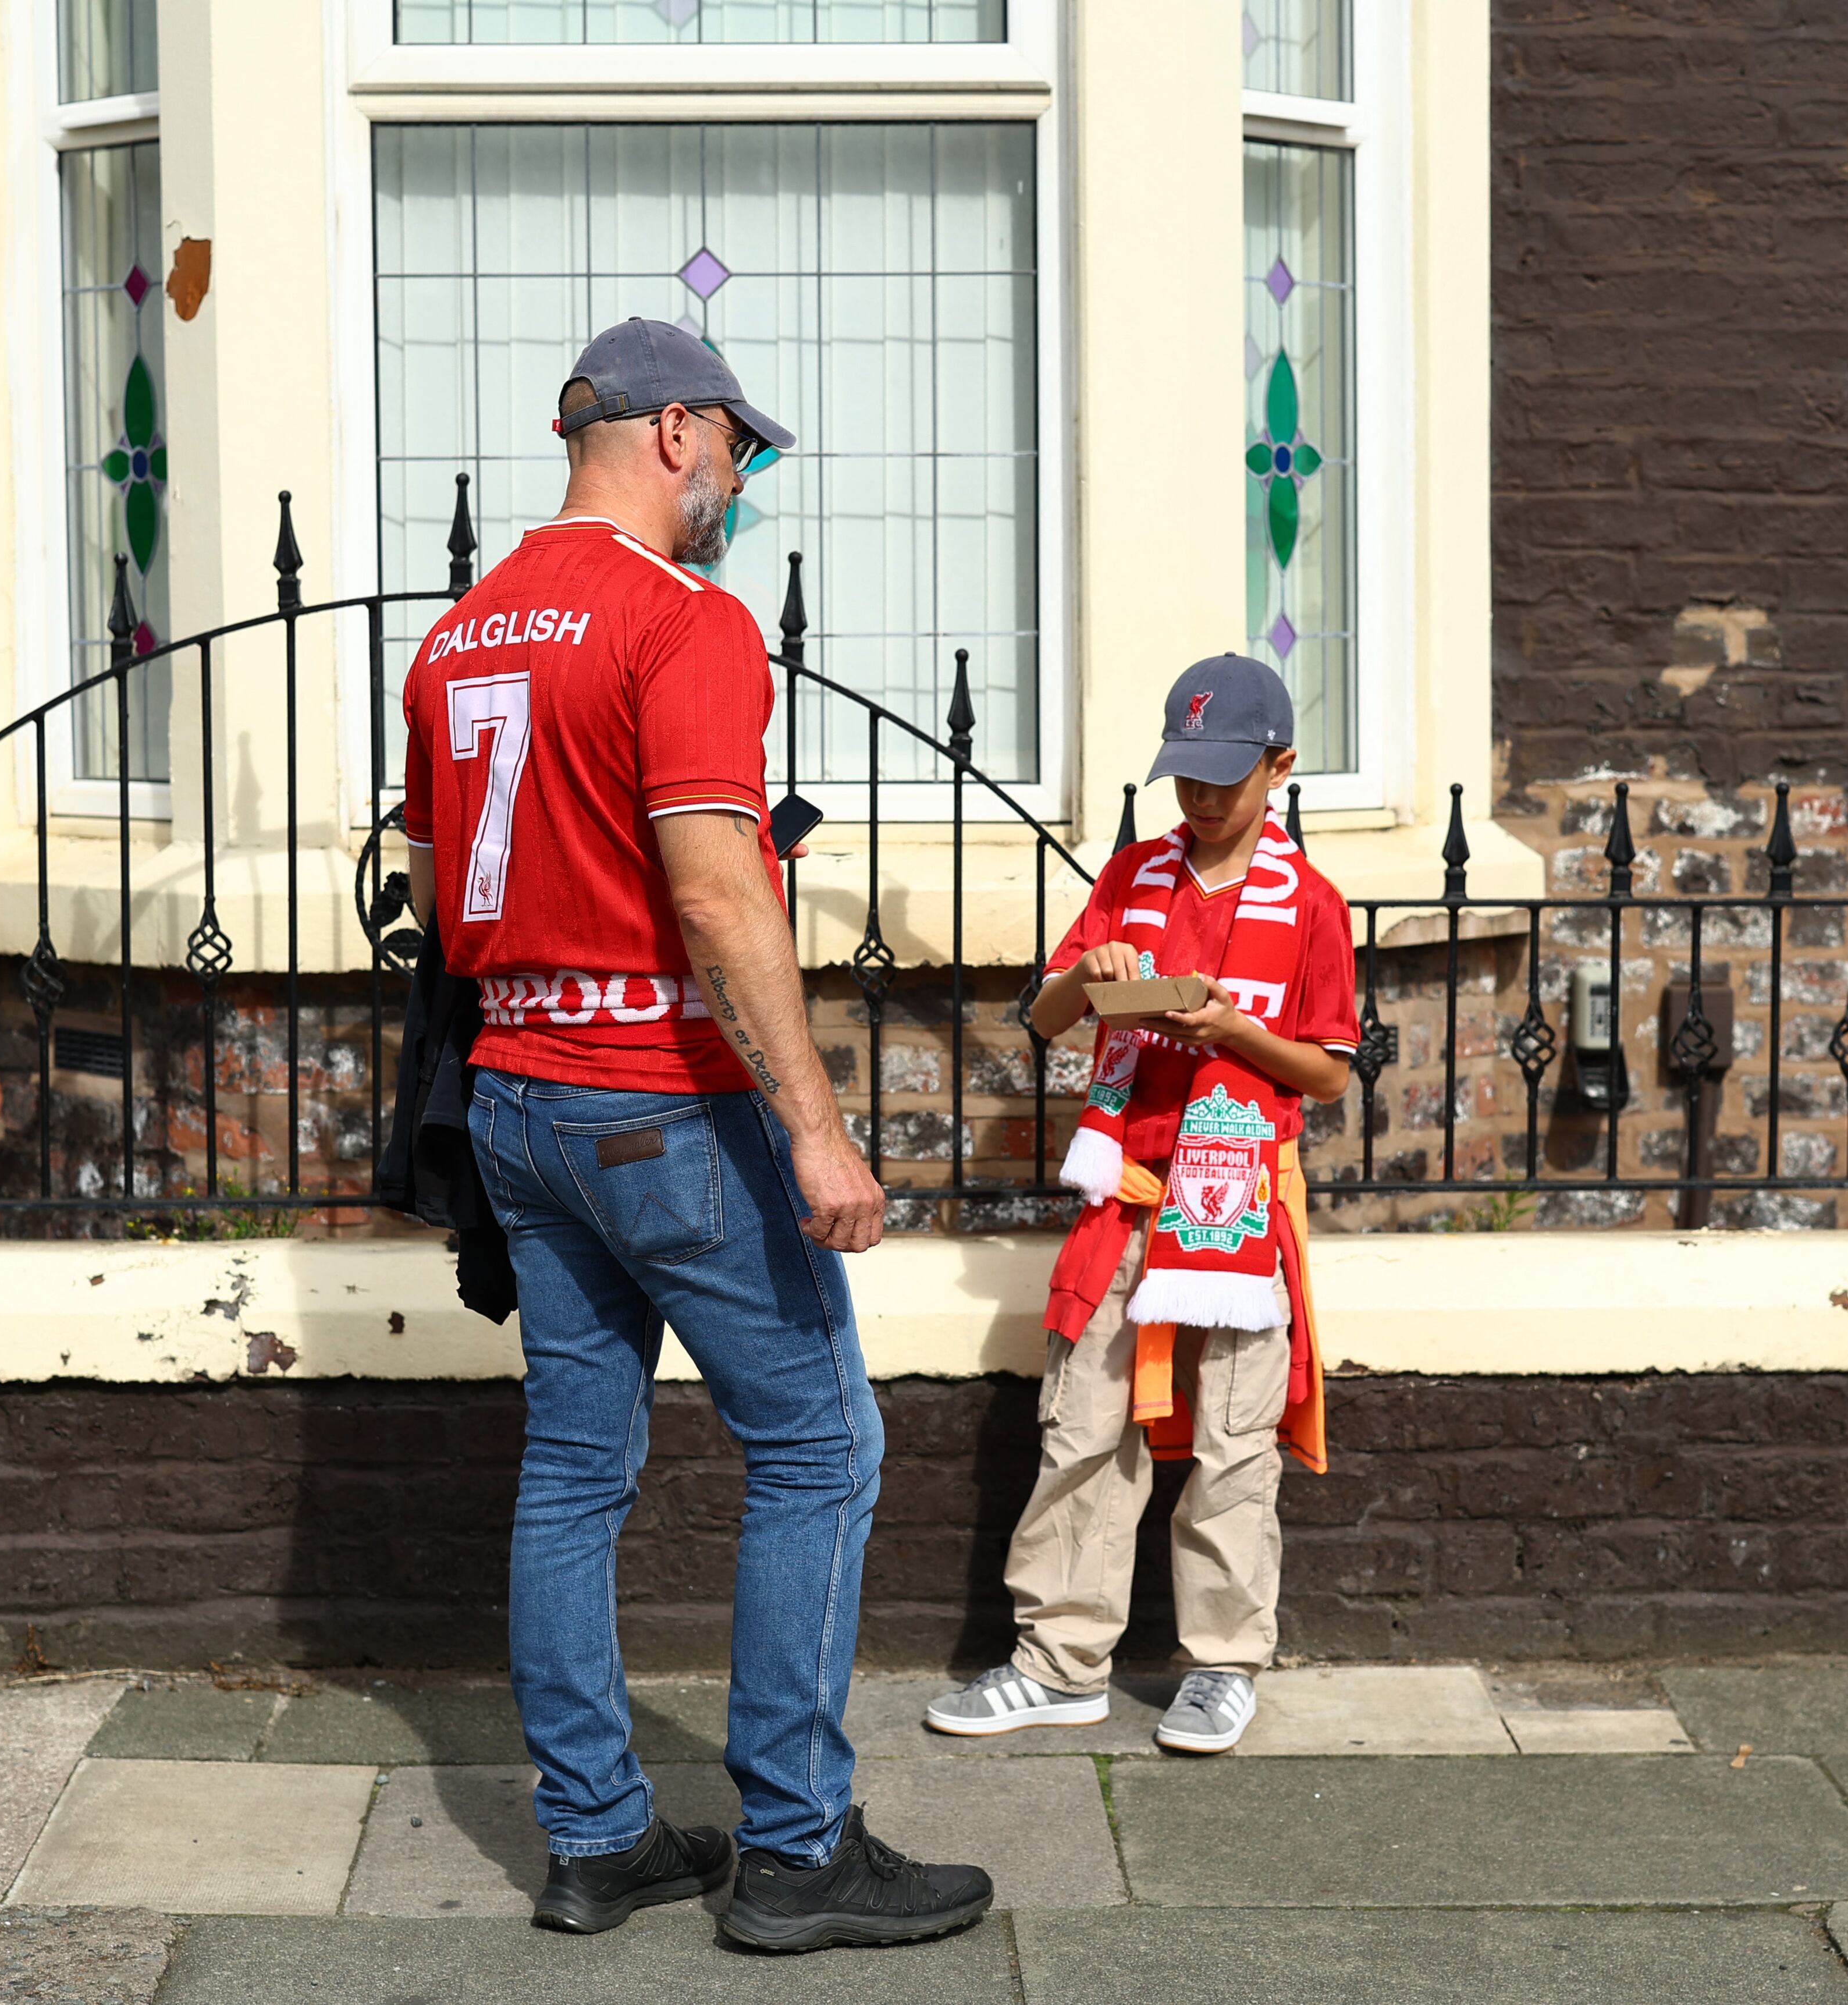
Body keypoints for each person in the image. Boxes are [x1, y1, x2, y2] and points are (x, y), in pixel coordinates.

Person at [400, 317, 991, 1953]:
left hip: (516, 1093)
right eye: (742, 447)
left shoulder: (456, 638)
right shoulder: (686, 618)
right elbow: (718, 887)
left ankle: (595, 1836)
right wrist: (815, 1128)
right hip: (663, 1099)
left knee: (577, 1466)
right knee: (821, 1444)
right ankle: (798, 1847)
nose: (742, 478)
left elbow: (449, 896)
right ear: (675, 429)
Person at [924, 655, 1356, 1755]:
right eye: (1186, 777)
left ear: (1280, 764)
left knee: (1231, 1438)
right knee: (1081, 1423)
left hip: (1239, 1199)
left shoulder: (1311, 905)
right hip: (1126, 1195)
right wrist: (1098, 968)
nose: (1202, 800)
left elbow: (1328, 1072)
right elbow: (1053, 1010)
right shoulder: (1132, 875)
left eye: (1225, 776)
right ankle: (1059, 1660)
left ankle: (1222, 1664)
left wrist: (1236, 1036)